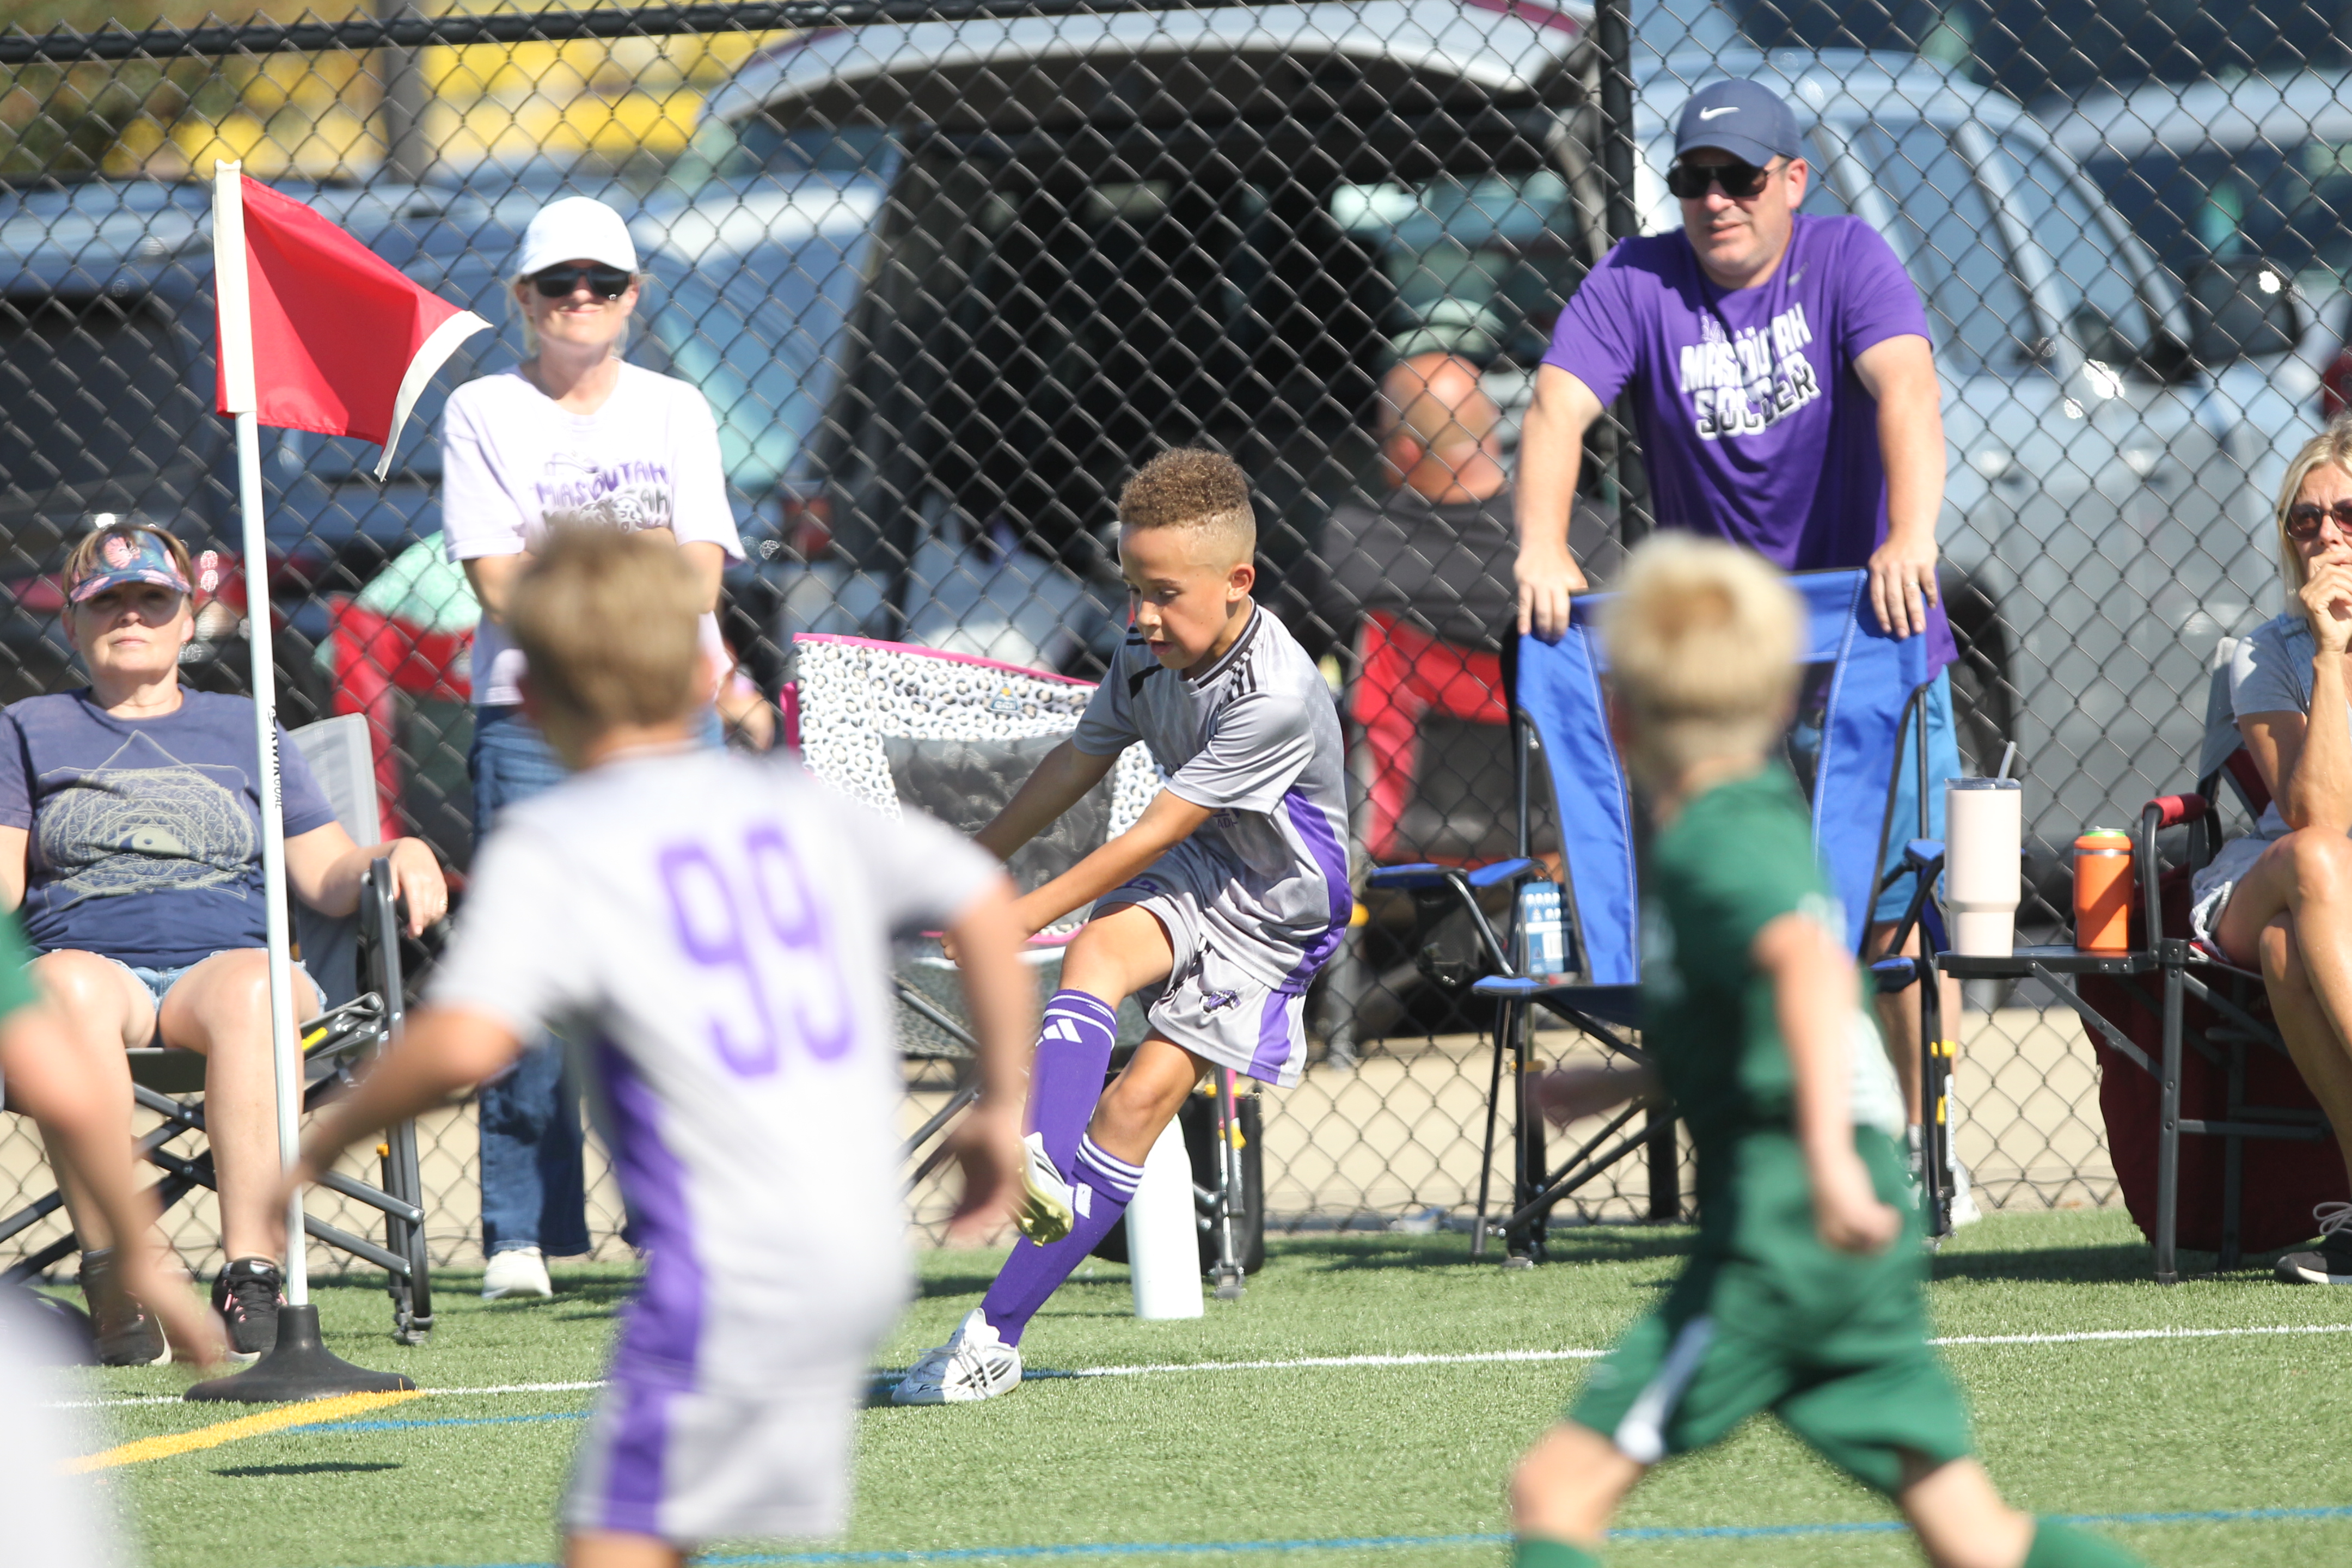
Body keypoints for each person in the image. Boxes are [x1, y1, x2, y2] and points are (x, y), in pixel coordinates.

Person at [283, 527, 1032, 1567]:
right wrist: (1000, 1104)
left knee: (613, 1544)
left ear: (526, 701)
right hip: (862, 1243)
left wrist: (321, 1142)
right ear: (702, 674)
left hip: (734, 1263)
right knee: (662, 1528)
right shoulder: (797, 806)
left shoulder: (561, 843)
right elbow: (983, 899)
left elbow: (464, 1040)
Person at [1507, 536, 2142, 1568]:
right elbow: (1764, 1018)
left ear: (1617, 718)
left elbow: (1806, 969)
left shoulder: (1712, 840)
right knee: (1972, 1535)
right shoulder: (1754, 816)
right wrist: (1627, 1080)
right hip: (1840, 1206)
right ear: (1777, 707)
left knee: (1553, 1491)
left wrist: (1831, 1167)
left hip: (1791, 1219)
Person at [1514, 77, 1969, 1212]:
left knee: (1896, 920)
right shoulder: (1637, 280)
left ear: (1793, 182)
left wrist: (1910, 534)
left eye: (1740, 177)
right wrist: (1542, 546)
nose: (1715, 199)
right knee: (1742, 920)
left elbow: (1908, 388)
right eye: (1693, 179)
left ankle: (1925, 1153)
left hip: (1870, 640)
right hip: (1729, 674)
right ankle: (1769, 1154)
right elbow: (1558, 407)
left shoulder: (1848, 259)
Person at [889, 448, 1349, 1405]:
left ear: (1239, 583)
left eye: (1164, 594)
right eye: (1133, 588)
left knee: (1136, 1107)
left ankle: (993, 1336)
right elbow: (1079, 759)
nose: (1141, 615)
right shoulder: (1146, 650)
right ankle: (1046, 1161)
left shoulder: (1273, 695)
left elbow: (1150, 835)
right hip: (1207, 860)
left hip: (1277, 909)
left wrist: (1013, 916)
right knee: (1098, 949)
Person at [0, 521, 445, 1363]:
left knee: (257, 989)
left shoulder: (246, 727)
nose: (132, 616)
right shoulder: (27, 727)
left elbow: (327, 872)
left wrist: (401, 852)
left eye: (153, 599)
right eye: (109, 602)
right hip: (91, 971)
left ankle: (253, 1274)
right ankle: (122, 1274)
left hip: (224, 971)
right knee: (61, 989)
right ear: (73, 622)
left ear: (186, 617)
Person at [441, 194, 748, 1300]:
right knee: (526, 966)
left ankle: (677, 1214)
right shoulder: (482, 409)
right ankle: (520, 1234)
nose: (582, 299)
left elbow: (703, 577)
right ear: (521, 298)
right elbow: (497, 584)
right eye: (559, 282)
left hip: (672, 720)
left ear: (633, 297)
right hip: (531, 718)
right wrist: (640, 564)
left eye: (603, 283)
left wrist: (569, 575)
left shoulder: (676, 408)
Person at [2189, 420, 2352, 1284]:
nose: (2327, 534)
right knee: (2317, 857)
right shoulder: (2265, 651)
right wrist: (2330, 654)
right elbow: (2312, 811)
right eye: (2305, 519)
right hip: (2273, 873)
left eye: (2348, 513)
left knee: (2295, 948)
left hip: (2309, 917)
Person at [1302, 353, 1619, 660]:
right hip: (1547, 697)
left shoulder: (1350, 540)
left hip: (1408, 698)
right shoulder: (1599, 531)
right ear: (1494, 429)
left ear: (1406, 450)